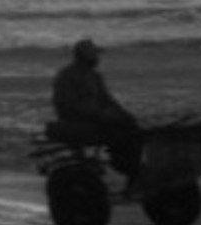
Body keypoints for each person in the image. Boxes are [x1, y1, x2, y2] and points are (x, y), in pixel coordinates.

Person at [51, 38, 143, 178]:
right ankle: (126, 167)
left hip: (97, 118)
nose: (98, 58)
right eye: (95, 54)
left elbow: (107, 100)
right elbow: (66, 105)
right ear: (85, 56)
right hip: (77, 121)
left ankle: (130, 167)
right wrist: (100, 115)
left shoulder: (95, 76)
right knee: (121, 134)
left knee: (133, 129)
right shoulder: (66, 76)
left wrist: (125, 115)